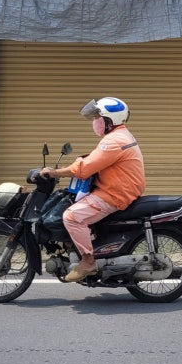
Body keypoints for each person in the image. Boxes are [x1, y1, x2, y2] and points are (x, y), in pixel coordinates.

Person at [40, 97, 146, 283]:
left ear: (109, 120)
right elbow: (95, 160)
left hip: (114, 194)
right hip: (116, 188)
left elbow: (84, 168)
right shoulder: (119, 136)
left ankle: (88, 261)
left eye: (97, 117)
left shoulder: (114, 140)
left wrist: (54, 172)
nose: (95, 122)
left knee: (71, 217)